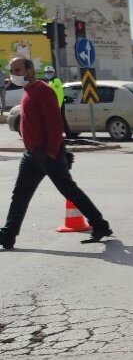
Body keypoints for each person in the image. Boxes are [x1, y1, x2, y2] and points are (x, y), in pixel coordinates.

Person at [0, 56, 113, 249]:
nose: (13, 75)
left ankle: (100, 225)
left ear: (30, 70)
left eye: (17, 70)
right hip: (32, 155)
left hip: (46, 153)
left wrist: (52, 152)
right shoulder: (27, 91)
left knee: (69, 190)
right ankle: (8, 235)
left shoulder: (43, 91)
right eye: (12, 71)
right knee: (20, 194)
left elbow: (55, 124)